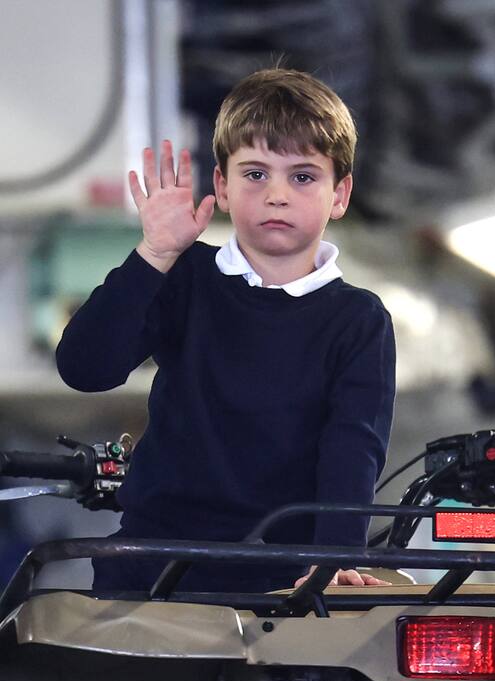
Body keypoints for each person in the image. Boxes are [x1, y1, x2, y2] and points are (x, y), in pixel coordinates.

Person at [56, 67, 396, 593]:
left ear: (340, 193)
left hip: (283, 580)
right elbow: (85, 368)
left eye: (303, 176)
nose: (277, 194)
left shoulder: (358, 319)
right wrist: (155, 254)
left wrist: (332, 562)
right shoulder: (185, 275)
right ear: (222, 185)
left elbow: (353, 447)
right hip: (152, 564)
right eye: (255, 174)